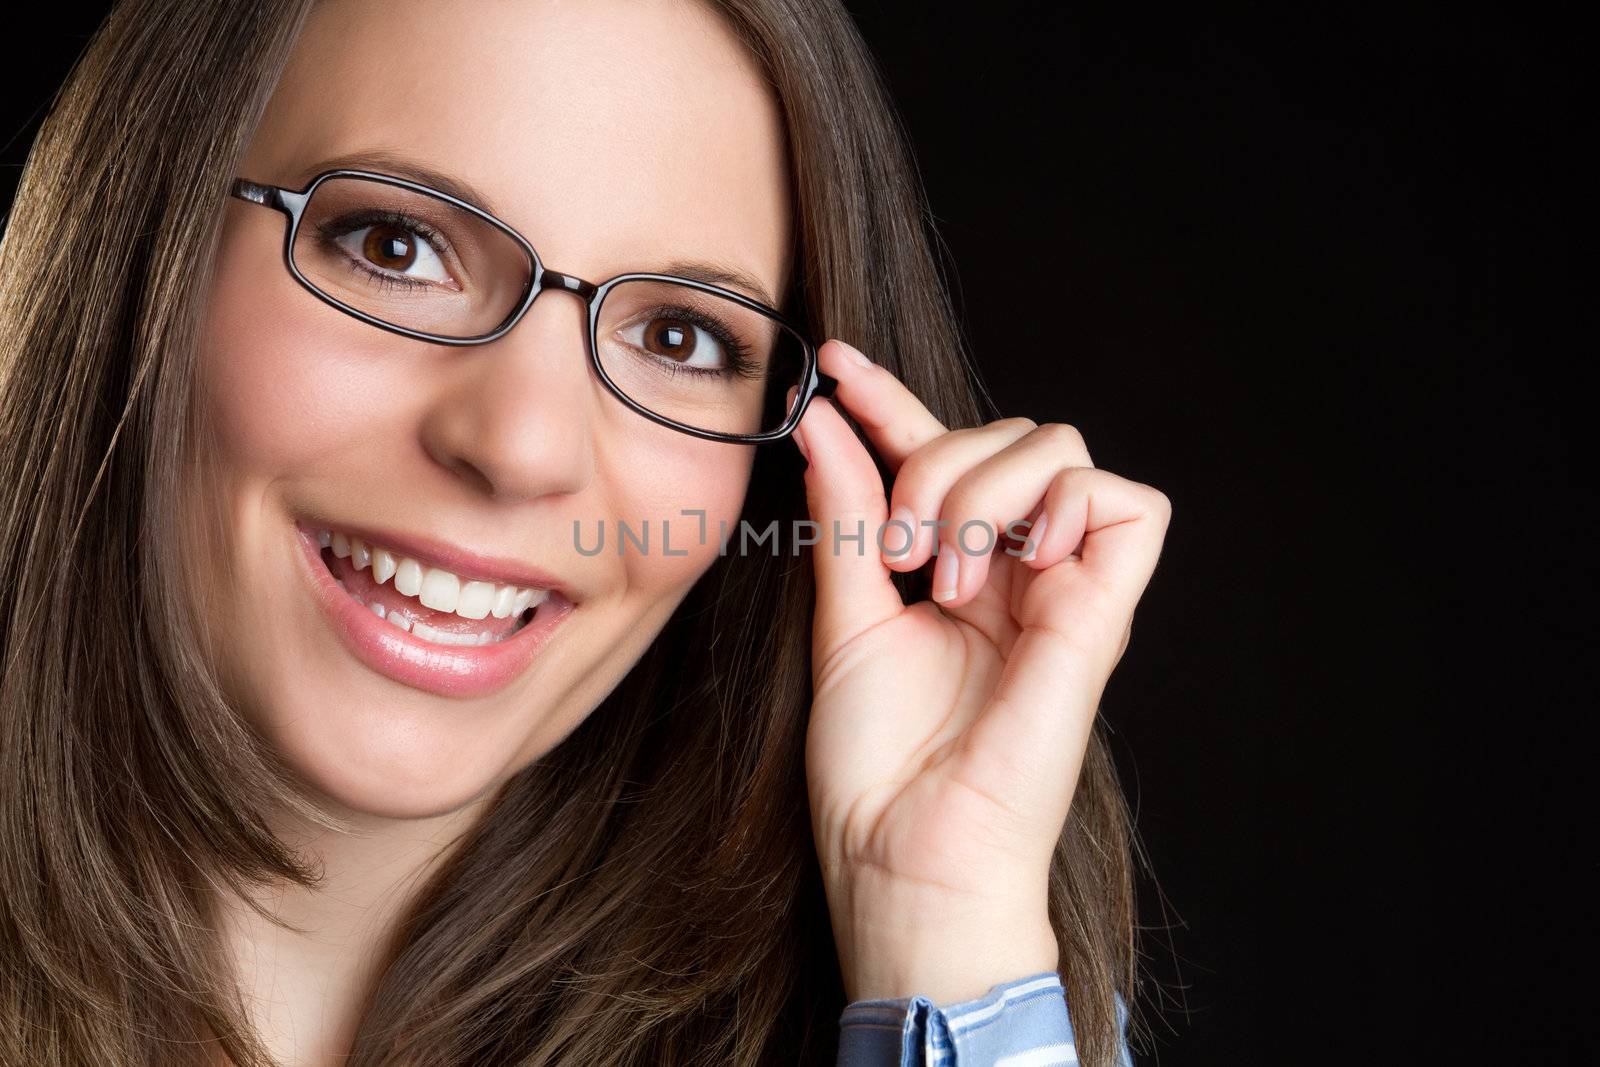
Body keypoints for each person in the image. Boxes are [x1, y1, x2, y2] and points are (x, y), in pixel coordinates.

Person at [0, 1, 1170, 1064]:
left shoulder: (967, 976)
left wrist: (936, 928)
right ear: (144, 242)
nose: (521, 446)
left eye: (679, 338)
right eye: (397, 246)